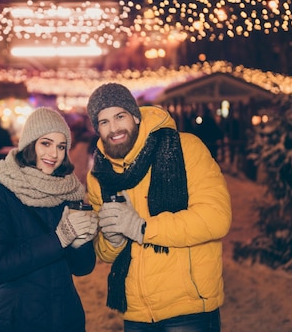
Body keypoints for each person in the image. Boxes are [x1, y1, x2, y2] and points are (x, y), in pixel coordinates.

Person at [85, 83, 232, 332]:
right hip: (136, 312)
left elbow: (216, 218)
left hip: (188, 309)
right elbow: (105, 253)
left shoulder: (185, 148)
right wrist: (113, 239)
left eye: (119, 116)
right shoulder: (100, 175)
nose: (114, 128)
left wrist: (141, 227)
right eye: (104, 122)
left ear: (135, 115)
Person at [0, 107, 98, 331]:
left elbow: (82, 268)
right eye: (46, 143)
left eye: (61, 146)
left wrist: (81, 243)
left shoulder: (67, 191)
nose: (54, 154)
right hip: (18, 317)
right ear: (30, 143)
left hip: (64, 315)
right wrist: (59, 238)